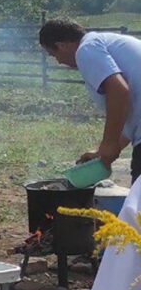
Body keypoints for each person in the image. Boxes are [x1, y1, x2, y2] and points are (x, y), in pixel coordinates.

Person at [39, 17, 141, 180]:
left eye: (54, 54)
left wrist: (109, 144)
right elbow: (132, 119)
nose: (58, 61)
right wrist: (102, 152)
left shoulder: (86, 49)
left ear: (62, 45)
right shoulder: (102, 43)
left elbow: (119, 91)